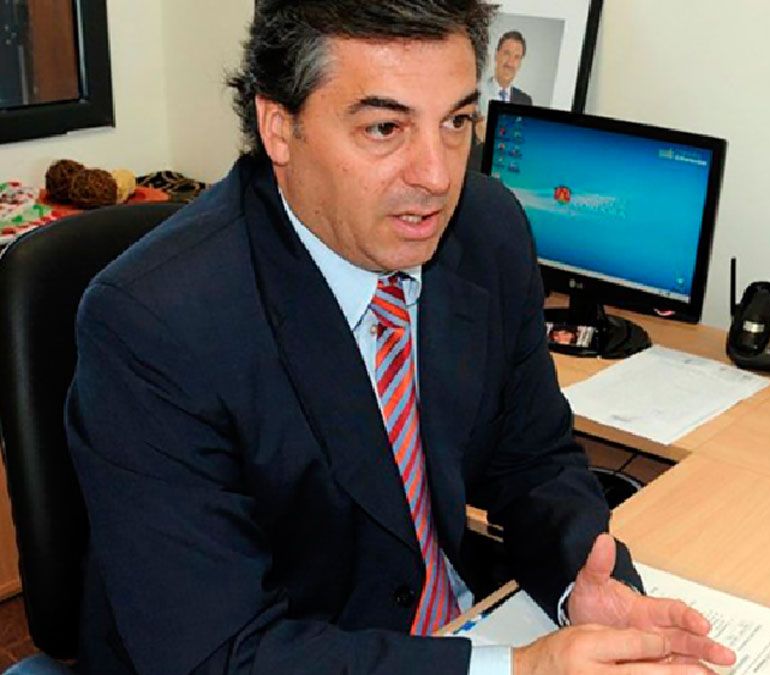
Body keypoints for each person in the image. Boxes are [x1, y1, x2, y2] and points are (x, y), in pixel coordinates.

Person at [64, 2, 735, 674]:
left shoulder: (487, 228)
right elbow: (218, 653)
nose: (436, 177)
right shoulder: (154, 322)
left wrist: (579, 583)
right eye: (385, 128)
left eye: (456, 122)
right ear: (280, 127)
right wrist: (519, 670)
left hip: (458, 623)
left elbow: (533, 458)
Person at [476, 30, 533, 141]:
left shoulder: (525, 101)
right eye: (506, 53)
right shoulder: (477, 93)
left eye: (517, 57)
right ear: (496, 55)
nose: (510, 63)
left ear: (520, 63)